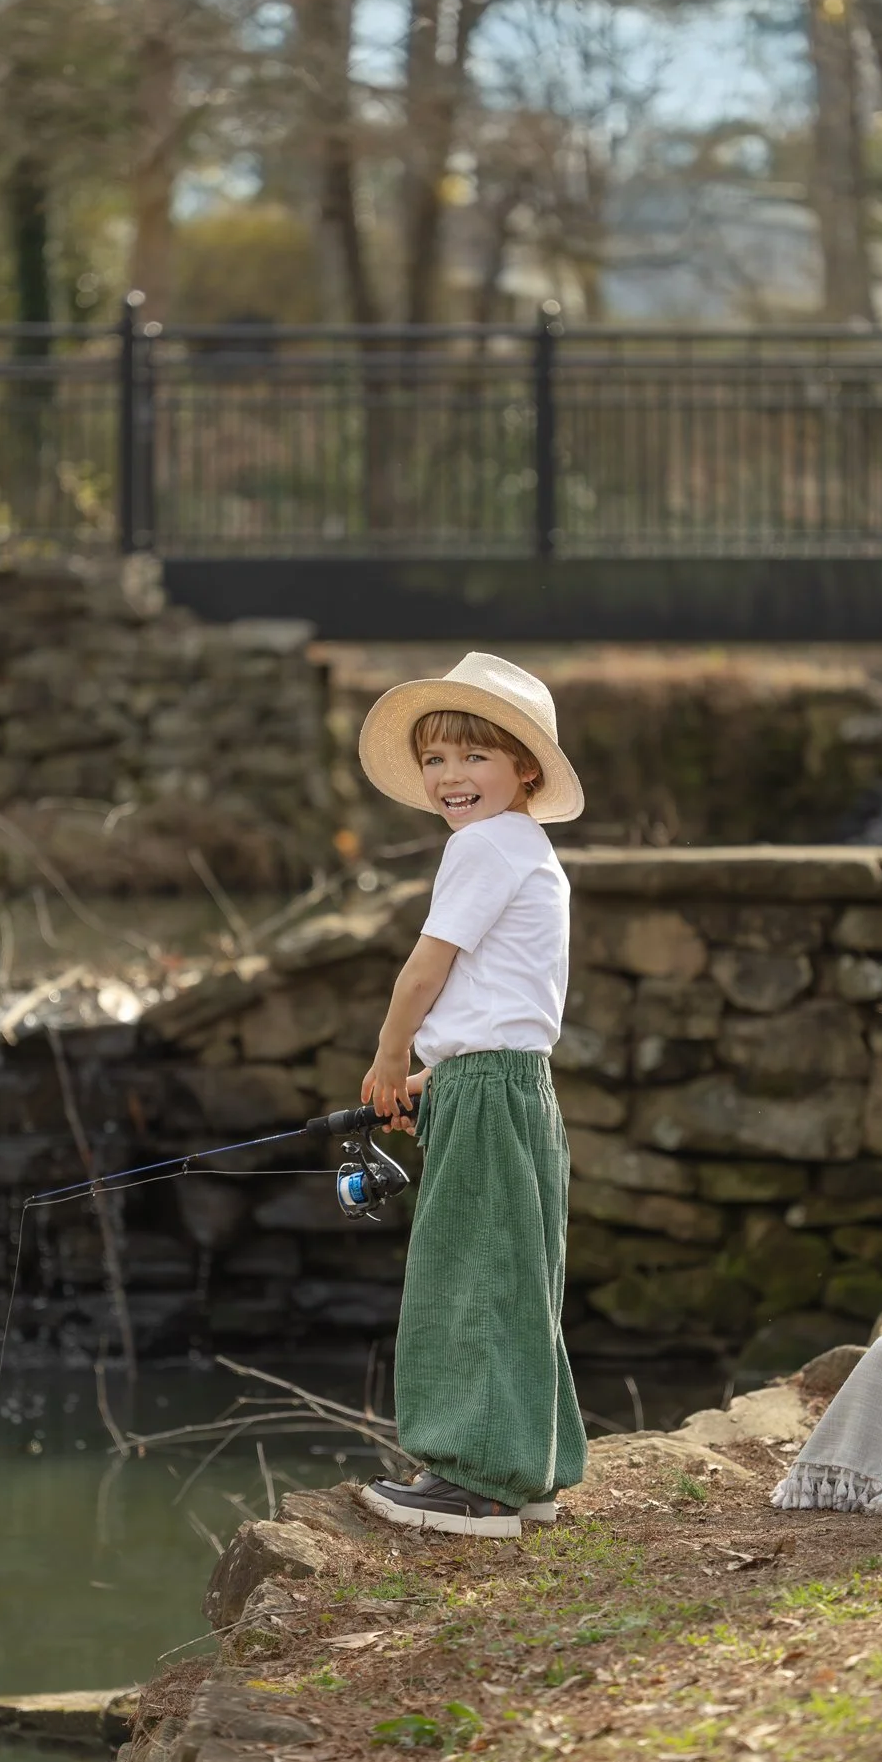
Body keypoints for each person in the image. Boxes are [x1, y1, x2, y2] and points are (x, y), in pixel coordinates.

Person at [353, 652, 588, 1537]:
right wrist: (440, 1071)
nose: (451, 776)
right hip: (517, 1085)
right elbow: (503, 999)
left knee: (471, 1273)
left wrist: (390, 1057)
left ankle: (474, 1486)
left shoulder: (480, 846)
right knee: (519, 1271)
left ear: (525, 768)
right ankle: (527, 1471)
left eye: (474, 756)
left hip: (492, 1091)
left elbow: (427, 968)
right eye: (435, 759)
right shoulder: (528, 848)